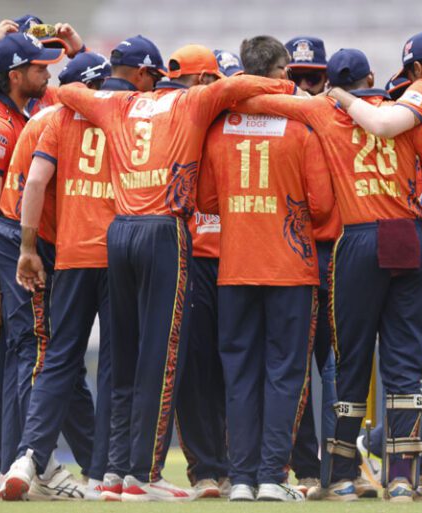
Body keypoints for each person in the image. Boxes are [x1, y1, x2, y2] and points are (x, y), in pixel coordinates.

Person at [232, 47, 422, 502]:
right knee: (406, 363)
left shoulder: (322, 109)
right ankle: (403, 478)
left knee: (352, 360)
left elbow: (250, 103)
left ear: (333, 81)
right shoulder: (405, 112)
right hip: (408, 236)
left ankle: (343, 477)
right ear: (372, 75)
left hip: (358, 237)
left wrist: (265, 84)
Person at [57, 40, 298, 502]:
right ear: (205, 78)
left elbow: (69, 92)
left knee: (122, 357)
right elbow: (245, 84)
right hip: (163, 231)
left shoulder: (123, 103)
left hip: (119, 231)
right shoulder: (195, 101)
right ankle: (144, 473)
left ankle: (114, 471)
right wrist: (286, 87)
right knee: (160, 359)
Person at [197, 35, 334, 502]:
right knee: (285, 374)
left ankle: (241, 478)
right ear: (277, 74)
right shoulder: (302, 127)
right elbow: (322, 203)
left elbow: (207, 201)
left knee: (239, 375)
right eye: (286, 72)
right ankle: (274, 476)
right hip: (291, 270)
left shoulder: (218, 129)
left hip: (234, 268)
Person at [0, 52, 119, 501]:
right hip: (114, 256)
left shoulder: (55, 120)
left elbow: (34, 183)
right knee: (113, 362)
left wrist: (28, 249)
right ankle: (107, 473)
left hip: (68, 254)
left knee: (58, 359)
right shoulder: (121, 115)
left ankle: (29, 457)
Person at [0, 30, 69, 497]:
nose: (47, 75)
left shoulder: (16, 114)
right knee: (5, 356)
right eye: (39, 68)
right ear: (15, 75)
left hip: (7, 254)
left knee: (21, 353)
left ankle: (13, 463)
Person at [173, 50, 244, 500]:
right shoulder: (180, 125)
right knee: (195, 369)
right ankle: (206, 470)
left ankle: (240, 466)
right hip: (195, 258)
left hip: (242, 260)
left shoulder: (245, 128)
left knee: (237, 369)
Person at [283, 35, 349, 501]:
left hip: (336, 254)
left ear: (328, 78)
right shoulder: (276, 121)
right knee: (299, 368)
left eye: (314, 77)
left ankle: (340, 468)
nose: (306, 85)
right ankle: (308, 468)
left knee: (335, 366)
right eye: (297, 77)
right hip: (289, 253)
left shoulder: (345, 119)